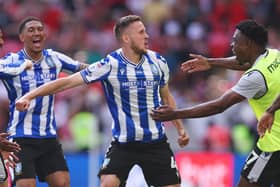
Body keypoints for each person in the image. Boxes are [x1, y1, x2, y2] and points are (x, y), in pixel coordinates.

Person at [15, 15, 190, 187]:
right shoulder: (110, 64)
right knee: (108, 183)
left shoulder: (158, 61)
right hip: (123, 144)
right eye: (141, 32)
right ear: (126, 38)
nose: (147, 36)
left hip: (155, 142)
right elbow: (67, 82)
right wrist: (29, 96)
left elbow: (166, 96)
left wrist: (180, 128)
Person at [151, 19, 280, 187]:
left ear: (248, 44)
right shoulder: (273, 55)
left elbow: (220, 105)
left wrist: (176, 113)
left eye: (236, 40)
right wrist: (210, 62)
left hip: (273, 147)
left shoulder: (255, 76)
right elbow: (245, 62)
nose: (232, 44)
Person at [0, 17, 89, 187]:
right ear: (21, 37)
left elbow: (82, 68)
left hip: (48, 137)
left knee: (62, 183)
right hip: (20, 137)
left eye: (40, 29)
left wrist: (108, 67)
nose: (37, 33)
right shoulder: (12, 61)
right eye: (31, 30)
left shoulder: (54, 58)